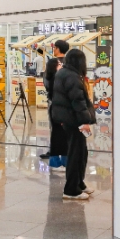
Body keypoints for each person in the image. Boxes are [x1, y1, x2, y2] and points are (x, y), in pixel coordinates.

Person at [51, 48, 96, 200]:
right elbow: (78, 102)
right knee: (76, 155)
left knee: (81, 153)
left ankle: (79, 183)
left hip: (68, 119)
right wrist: (84, 121)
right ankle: (71, 190)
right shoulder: (72, 77)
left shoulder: (63, 73)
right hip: (74, 121)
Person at [40, 39, 70, 170]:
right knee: (67, 130)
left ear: (57, 49)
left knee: (55, 129)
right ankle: (66, 158)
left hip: (54, 100)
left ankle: (54, 157)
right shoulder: (69, 62)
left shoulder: (52, 63)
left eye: (54, 47)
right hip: (68, 102)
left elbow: (46, 82)